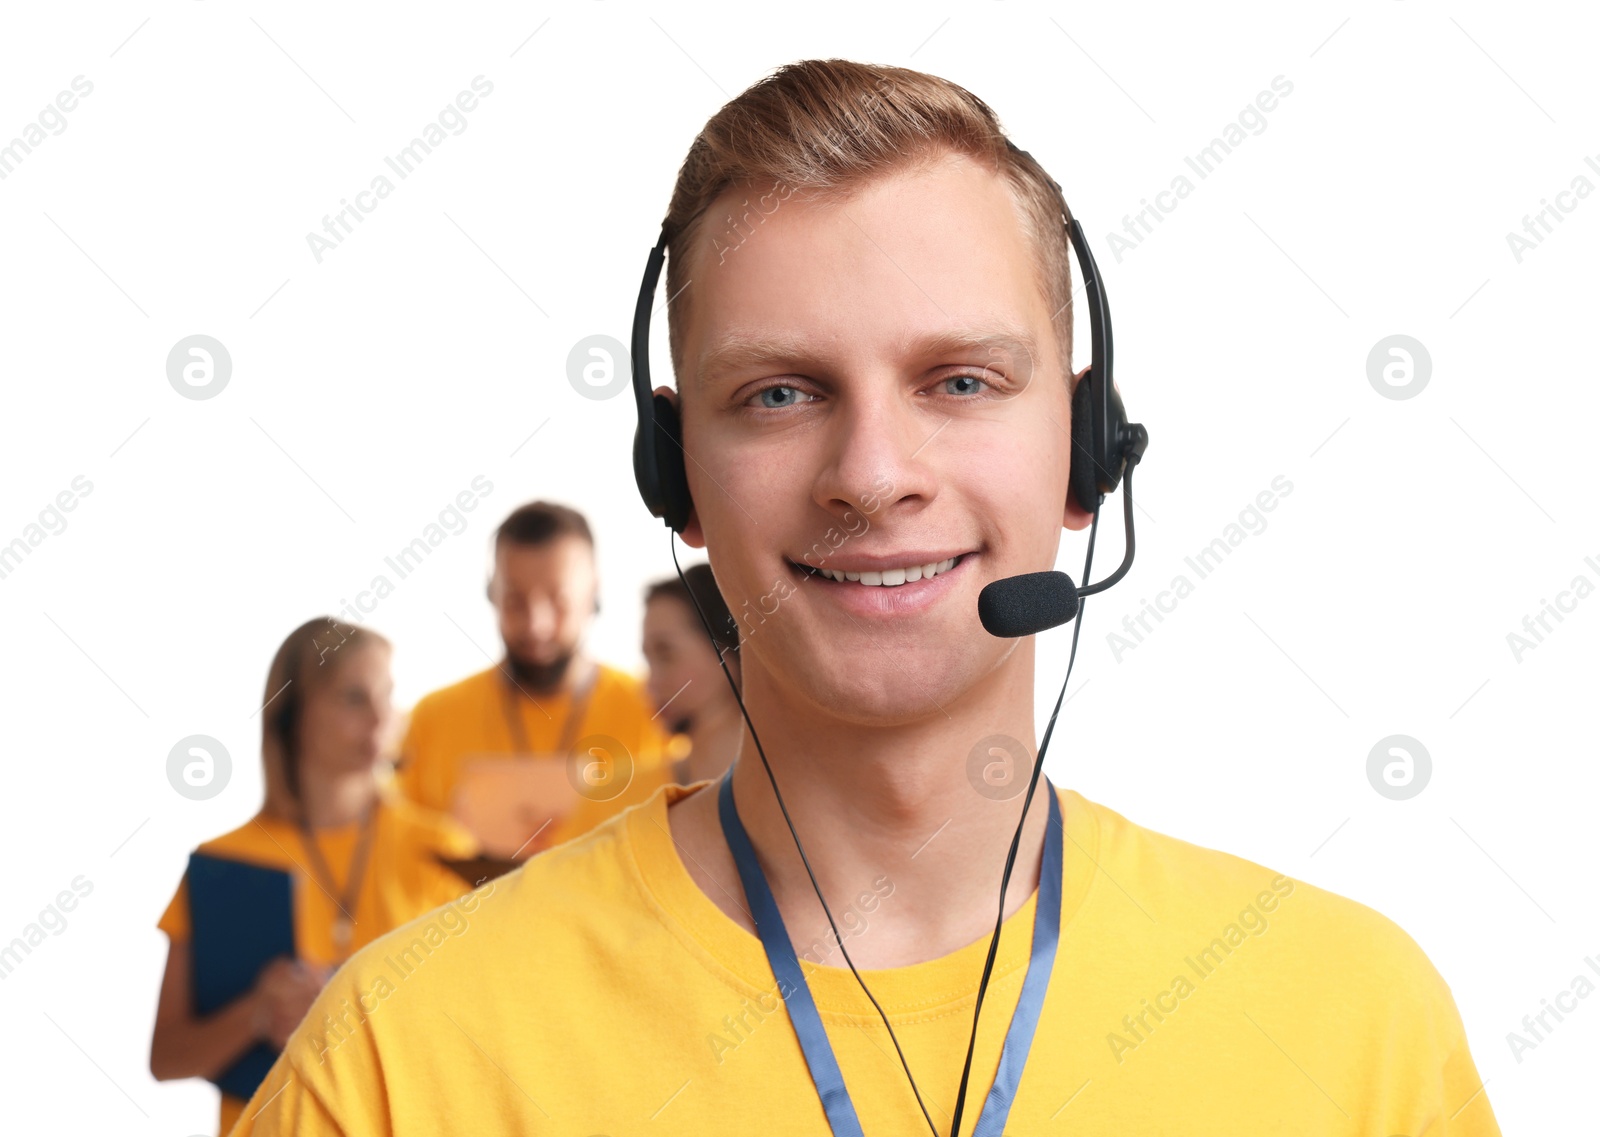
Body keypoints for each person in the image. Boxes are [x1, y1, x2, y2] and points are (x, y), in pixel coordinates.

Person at [228, 60, 1501, 1134]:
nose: (873, 476)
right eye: (779, 393)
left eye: (958, 381)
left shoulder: (1356, 1032)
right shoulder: (400, 1064)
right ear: (674, 476)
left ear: (1087, 447)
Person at [149, 617, 479, 1137]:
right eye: (353, 698)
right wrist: (257, 1013)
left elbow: (475, 1041)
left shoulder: (444, 850)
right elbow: (167, 1057)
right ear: (294, 715)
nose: (381, 717)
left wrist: (338, 1008)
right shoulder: (223, 861)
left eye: (387, 695)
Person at [394, 501, 672, 856]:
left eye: (558, 600)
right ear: (490, 593)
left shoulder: (656, 711)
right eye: (514, 601)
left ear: (594, 593)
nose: (535, 624)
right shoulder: (432, 718)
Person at [643, 562, 743, 785]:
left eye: (666, 654)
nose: (651, 684)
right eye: (648, 660)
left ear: (728, 650)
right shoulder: (624, 796)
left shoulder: (799, 790)